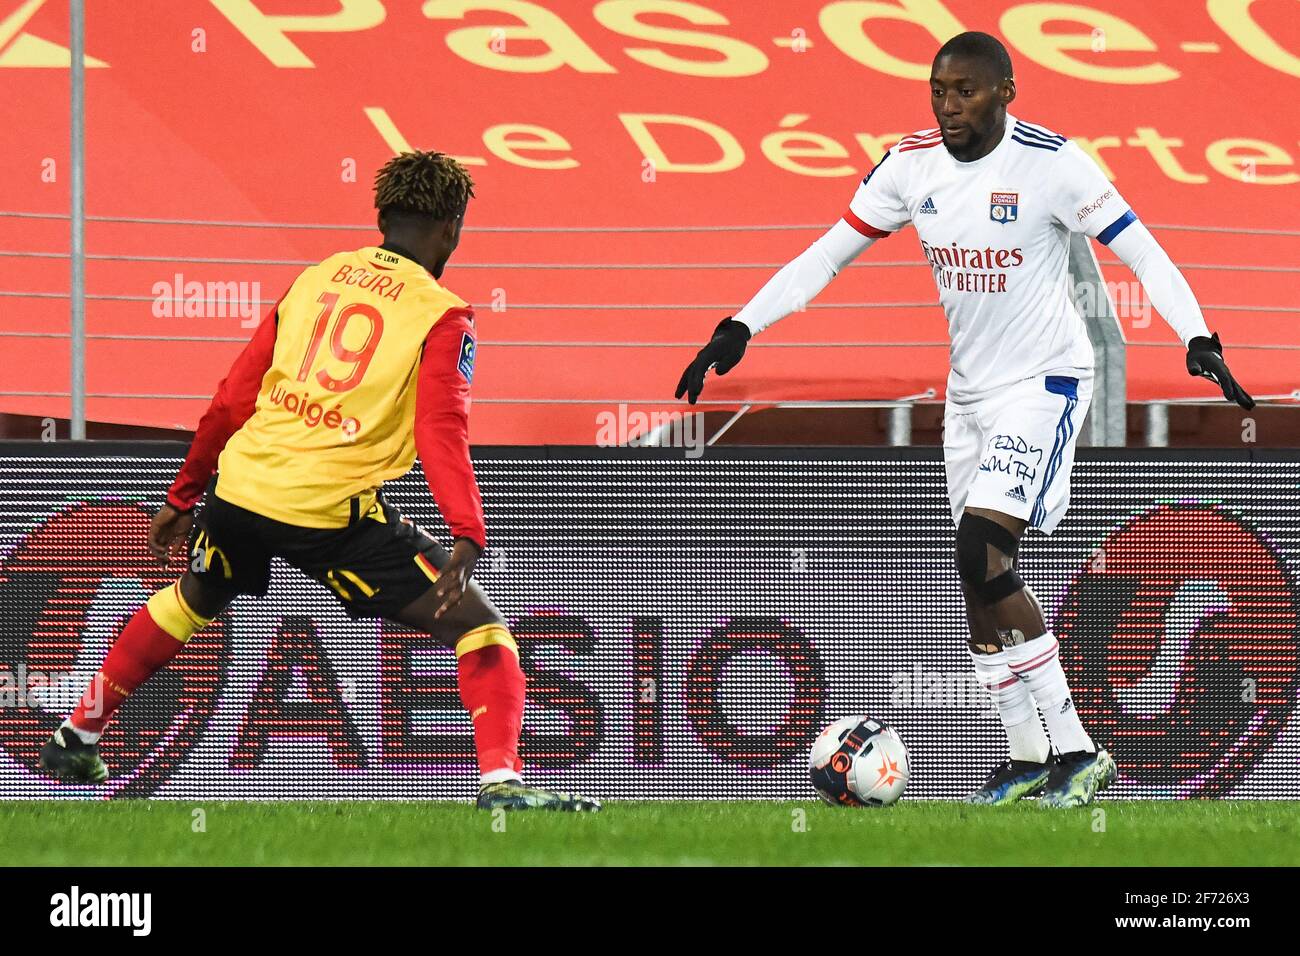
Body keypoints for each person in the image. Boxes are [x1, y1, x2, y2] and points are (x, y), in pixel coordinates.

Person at [675, 32, 1253, 808]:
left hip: (1044, 383)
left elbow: (1143, 251)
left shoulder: (1054, 165)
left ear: (1006, 91)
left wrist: (1196, 337)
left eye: (966, 91)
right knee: (972, 571)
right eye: (939, 90)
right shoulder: (911, 165)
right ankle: (1021, 756)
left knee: (982, 547)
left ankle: (1077, 750)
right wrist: (740, 325)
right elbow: (826, 255)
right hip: (970, 392)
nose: (949, 105)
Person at [39, 150, 600, 812]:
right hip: (328, 512)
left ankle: (76, 735)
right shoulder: (443, 314)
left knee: (193, 596)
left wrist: (183, 494)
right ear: (453, 227)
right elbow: (440, 430)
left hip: (242, 486)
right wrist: (467, 532)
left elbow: (231, 398)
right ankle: (501, 784)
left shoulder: (319, 277)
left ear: (382, 216)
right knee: (482, 631)